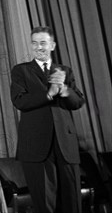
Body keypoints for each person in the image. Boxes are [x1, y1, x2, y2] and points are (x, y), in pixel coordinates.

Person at [10, 26, 85, 213]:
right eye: (34, 43)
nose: (38, 47)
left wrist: (65, 90)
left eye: (43, 43)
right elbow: (20, 101)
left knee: (72, 202)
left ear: (52, 45)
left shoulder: (64, 71)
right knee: (45, 204)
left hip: (65, 145)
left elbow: (78, 102)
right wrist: (49, 94)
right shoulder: (21, 71)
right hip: (36, 146)